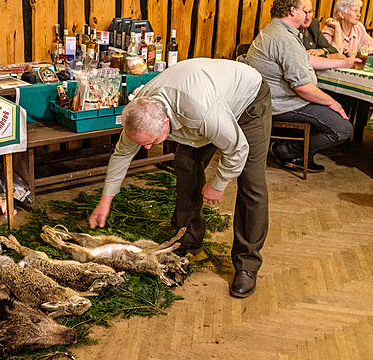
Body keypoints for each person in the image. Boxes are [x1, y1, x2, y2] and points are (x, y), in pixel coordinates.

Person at [88, 58, 272, 298]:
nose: (147, 148)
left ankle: (247, 265)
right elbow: (122, 154)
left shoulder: (201, 113)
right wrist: (106, 200)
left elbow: (237, 148)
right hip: (208, 100)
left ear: (166, 123)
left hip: (248, 100)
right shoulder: (141, 110)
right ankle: (187, 236)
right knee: (185, 162)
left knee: (251, 181)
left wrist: (218, 184)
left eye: (152, 142)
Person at [247, 0, 355, 173]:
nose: (308, 17)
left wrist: (342, 63)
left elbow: (306, 59)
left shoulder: (276, 30)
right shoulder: (283, 38)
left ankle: (291, 149)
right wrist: (332, 102)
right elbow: (302, 87)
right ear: (293, 11)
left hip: (272, 99)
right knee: (343, 128)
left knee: (332, 104)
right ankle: (287, 150)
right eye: (306, 11)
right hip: (282, 104)